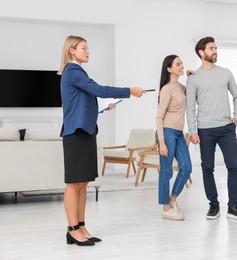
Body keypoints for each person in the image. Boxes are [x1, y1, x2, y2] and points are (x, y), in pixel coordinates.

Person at [58, 35, 145, 246]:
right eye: (84, 48)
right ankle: (72, 230)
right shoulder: (73, 70)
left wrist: (103, 106)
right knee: (73, 183)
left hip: (85, 131)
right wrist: (129, 91)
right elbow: (98, 90)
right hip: (75, 133)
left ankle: (81, 226)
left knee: (84, 182)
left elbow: (85, 102)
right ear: (72, 50)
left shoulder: (77, 71)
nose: (88, 52)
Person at [186, 36, 237, 221]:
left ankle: (234, 206)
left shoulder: (226, 73)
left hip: (226, 128)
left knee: (234, 167)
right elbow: (190, 107)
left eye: (216, 48)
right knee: (207, 168)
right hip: (205, 129)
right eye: (212, 48)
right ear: (201, 52)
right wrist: (193, 131)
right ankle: (213, 205)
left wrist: (236, 118)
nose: (215, 51)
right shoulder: (193, 78)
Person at [156, 55, 192, 221]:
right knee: (167, 170)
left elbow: (193, 92)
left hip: (178, 133)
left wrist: (192, 76)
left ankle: (172, 199)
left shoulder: (181, 87)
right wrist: (162, 142)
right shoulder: (167, 89)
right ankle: (165, 207)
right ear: (169, 69)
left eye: (181, 63)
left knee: (187, 167)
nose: (181, 66)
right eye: (178, 64)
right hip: (167, 132)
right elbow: (159, 117)